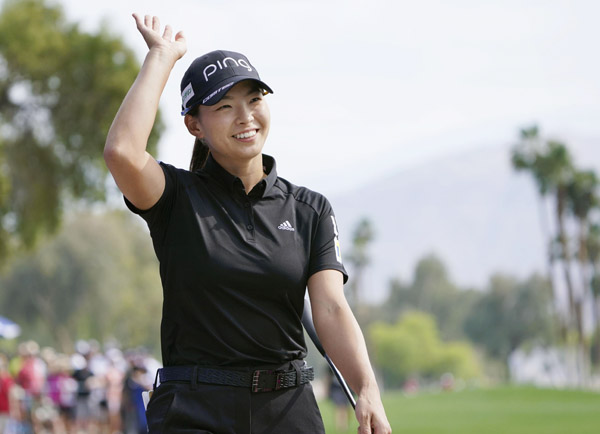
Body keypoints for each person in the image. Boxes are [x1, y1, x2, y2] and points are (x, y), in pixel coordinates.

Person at [104, 13, 391, 434]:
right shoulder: (175, 198)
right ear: (194, 125)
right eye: (224, 107)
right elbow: (123, 152)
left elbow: (330, 307)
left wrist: (367, 388)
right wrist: (161, 57)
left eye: (254, 100)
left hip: (288, 410)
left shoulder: (309, 209)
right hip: (195, 410)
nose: (245, 117)